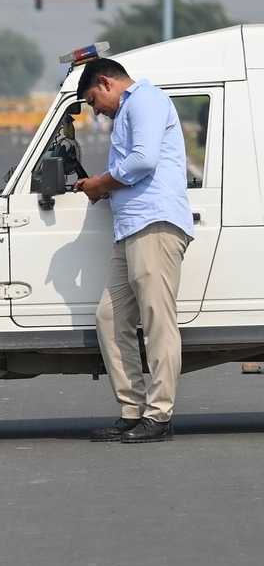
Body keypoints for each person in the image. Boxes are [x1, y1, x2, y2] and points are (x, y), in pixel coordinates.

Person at [74, 57, 194, 444]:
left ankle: (159, 416)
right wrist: (100, 185)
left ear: (106, 83)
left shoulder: (144, 100)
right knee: (109, 318)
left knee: (158, 320)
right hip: (130, 229)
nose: (96, 110)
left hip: (154, 224)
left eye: (93, 100)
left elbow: (143, 160)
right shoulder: (130, 108)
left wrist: (101, 183)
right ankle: (132, 410)